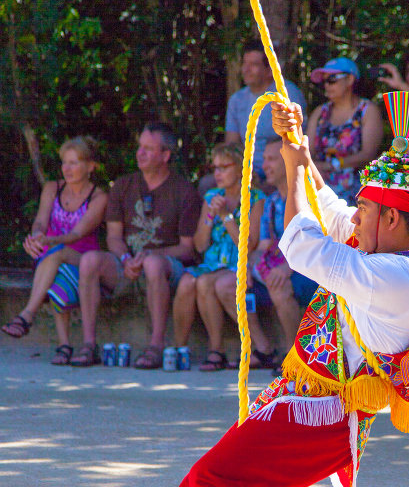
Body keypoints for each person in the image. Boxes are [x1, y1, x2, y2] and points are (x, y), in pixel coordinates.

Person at [42, 96, 409, 487]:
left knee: (215, 482)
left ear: (392, 218)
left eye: (367, 211)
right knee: (200, 486)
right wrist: (295, 155)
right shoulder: (390, 252)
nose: (357, 217)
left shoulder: (397, 278)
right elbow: (328, 208)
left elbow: (302, 243)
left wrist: (290, 170)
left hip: (326, 417)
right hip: (306, 402)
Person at [69, 123, 200, 369]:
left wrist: (150, 254)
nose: (140, 153)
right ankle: (88, 344)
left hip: (165, 269)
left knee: (151, 264)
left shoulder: (184, 191)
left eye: (149, 149)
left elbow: (187, 249)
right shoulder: (123, 185)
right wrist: (126, 259)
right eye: (140, 147)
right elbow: (114, 238)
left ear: (165, 155)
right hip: (127, 265)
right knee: (89, 260)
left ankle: (156, 345)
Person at [1, 137, 107, 364]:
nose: (66, 169)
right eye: (64, 163)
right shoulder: (52, 188)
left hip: (83, 260)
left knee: (57, 252)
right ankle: (64, 346)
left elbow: (76, 235)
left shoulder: (99, 197)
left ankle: (27, 315)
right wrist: (37, 236)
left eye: (74, 163)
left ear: (91, 167)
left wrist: (49, 241)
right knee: (57, 278)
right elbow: (40, 221)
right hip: (52, 259)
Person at [172, 143, 266, 370]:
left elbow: (249, 245)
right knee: (194, 281)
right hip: (213, 263)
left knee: (208, 282)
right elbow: (200, 244)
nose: (218, 173)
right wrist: (209, 217)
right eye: (215, 168)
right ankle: (210, 349)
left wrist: (225, 216)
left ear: (242, 168)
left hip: (238, 264)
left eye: (224, 167)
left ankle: (244, 348)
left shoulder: (256, 199)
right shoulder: (212, 196)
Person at [246, 137, 317, 362]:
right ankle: (261, 349)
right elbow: (264, 247)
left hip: (313, 269)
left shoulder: (311, 197)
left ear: (288, 162)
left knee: (279, 284)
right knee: (236, 281)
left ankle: (295, 357)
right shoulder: (272, 202)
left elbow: (320, 243)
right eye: (264, 159)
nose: (264, 165)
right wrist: (247, 267)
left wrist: (288, 268)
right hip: (282, 267)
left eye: (271, 159)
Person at [225, 39, 307, 181]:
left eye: (254, 65)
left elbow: (296, 140)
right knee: (206, 185)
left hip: (280, 169)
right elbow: (232, 145)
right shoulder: (236, 100)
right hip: (246, 172)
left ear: (269, 70)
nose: (246, 69)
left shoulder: (286, 94)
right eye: (244, 63)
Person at [307, 57, 383, 204]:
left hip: (357, 190)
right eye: (325, 81)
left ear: (349, 80)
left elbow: (368, 154)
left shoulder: (367, 110)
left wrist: (333, 165)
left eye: (332, 79)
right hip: (319, 185)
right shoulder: (319, 112)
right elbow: (308, 151)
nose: (327, 85)